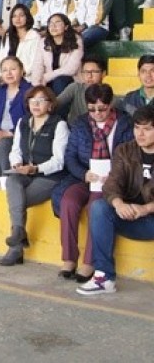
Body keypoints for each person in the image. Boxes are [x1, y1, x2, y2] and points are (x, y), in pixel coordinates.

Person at [53, 83, 133, 283]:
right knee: (68, 202)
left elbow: (131, 158)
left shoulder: (125, 124)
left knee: (95, 206)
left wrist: (114, 176)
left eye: (102, 109)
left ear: (110, 104)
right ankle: (69, 258)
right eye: (92, 109)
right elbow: (70, 156)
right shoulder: (80, 123)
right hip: (86, 177)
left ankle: (89, 261)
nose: (97, 113)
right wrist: (84, 173)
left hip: (112, 181)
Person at [77, 104, 154, 296]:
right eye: (137, 128)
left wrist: (146, 209)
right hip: (129, 215)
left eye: (147, 129)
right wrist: (119, 203)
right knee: (99, 207)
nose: (140, 134)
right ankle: (104, 277)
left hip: (150, 216)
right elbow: (111, 184)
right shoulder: (125, 150)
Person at [0, 85, 69, 266]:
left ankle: (16, 247)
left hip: (49, 175)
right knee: (12, 181)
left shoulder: (59, 125)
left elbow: (59, 161)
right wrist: (16, 163)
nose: (36, 105)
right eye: (32, 101)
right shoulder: (23, 122)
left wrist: (36, 168)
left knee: (17, 200)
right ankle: (19, 234)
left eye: (41, 101)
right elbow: (15, 150)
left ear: (50, 105)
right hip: (25, 172)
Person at [0, 56, 32, 188]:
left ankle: (7, 183)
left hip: (17, 133)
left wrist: (8, 133)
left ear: (22, 71)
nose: (9, 73)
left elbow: (29, 119)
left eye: (13, 69)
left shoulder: (29, 90)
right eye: (5, 70)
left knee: (3, 144)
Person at [30, 13, 84, 95]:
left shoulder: (76, 40)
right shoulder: (43, 42)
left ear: (66, 27)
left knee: (59, 81)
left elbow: (71, 69)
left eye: (57, 23)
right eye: (50, 24)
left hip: (69, 80)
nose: (53, 26)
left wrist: (48, 76)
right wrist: (37, 84)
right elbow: (38, 64)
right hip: (48, 81)